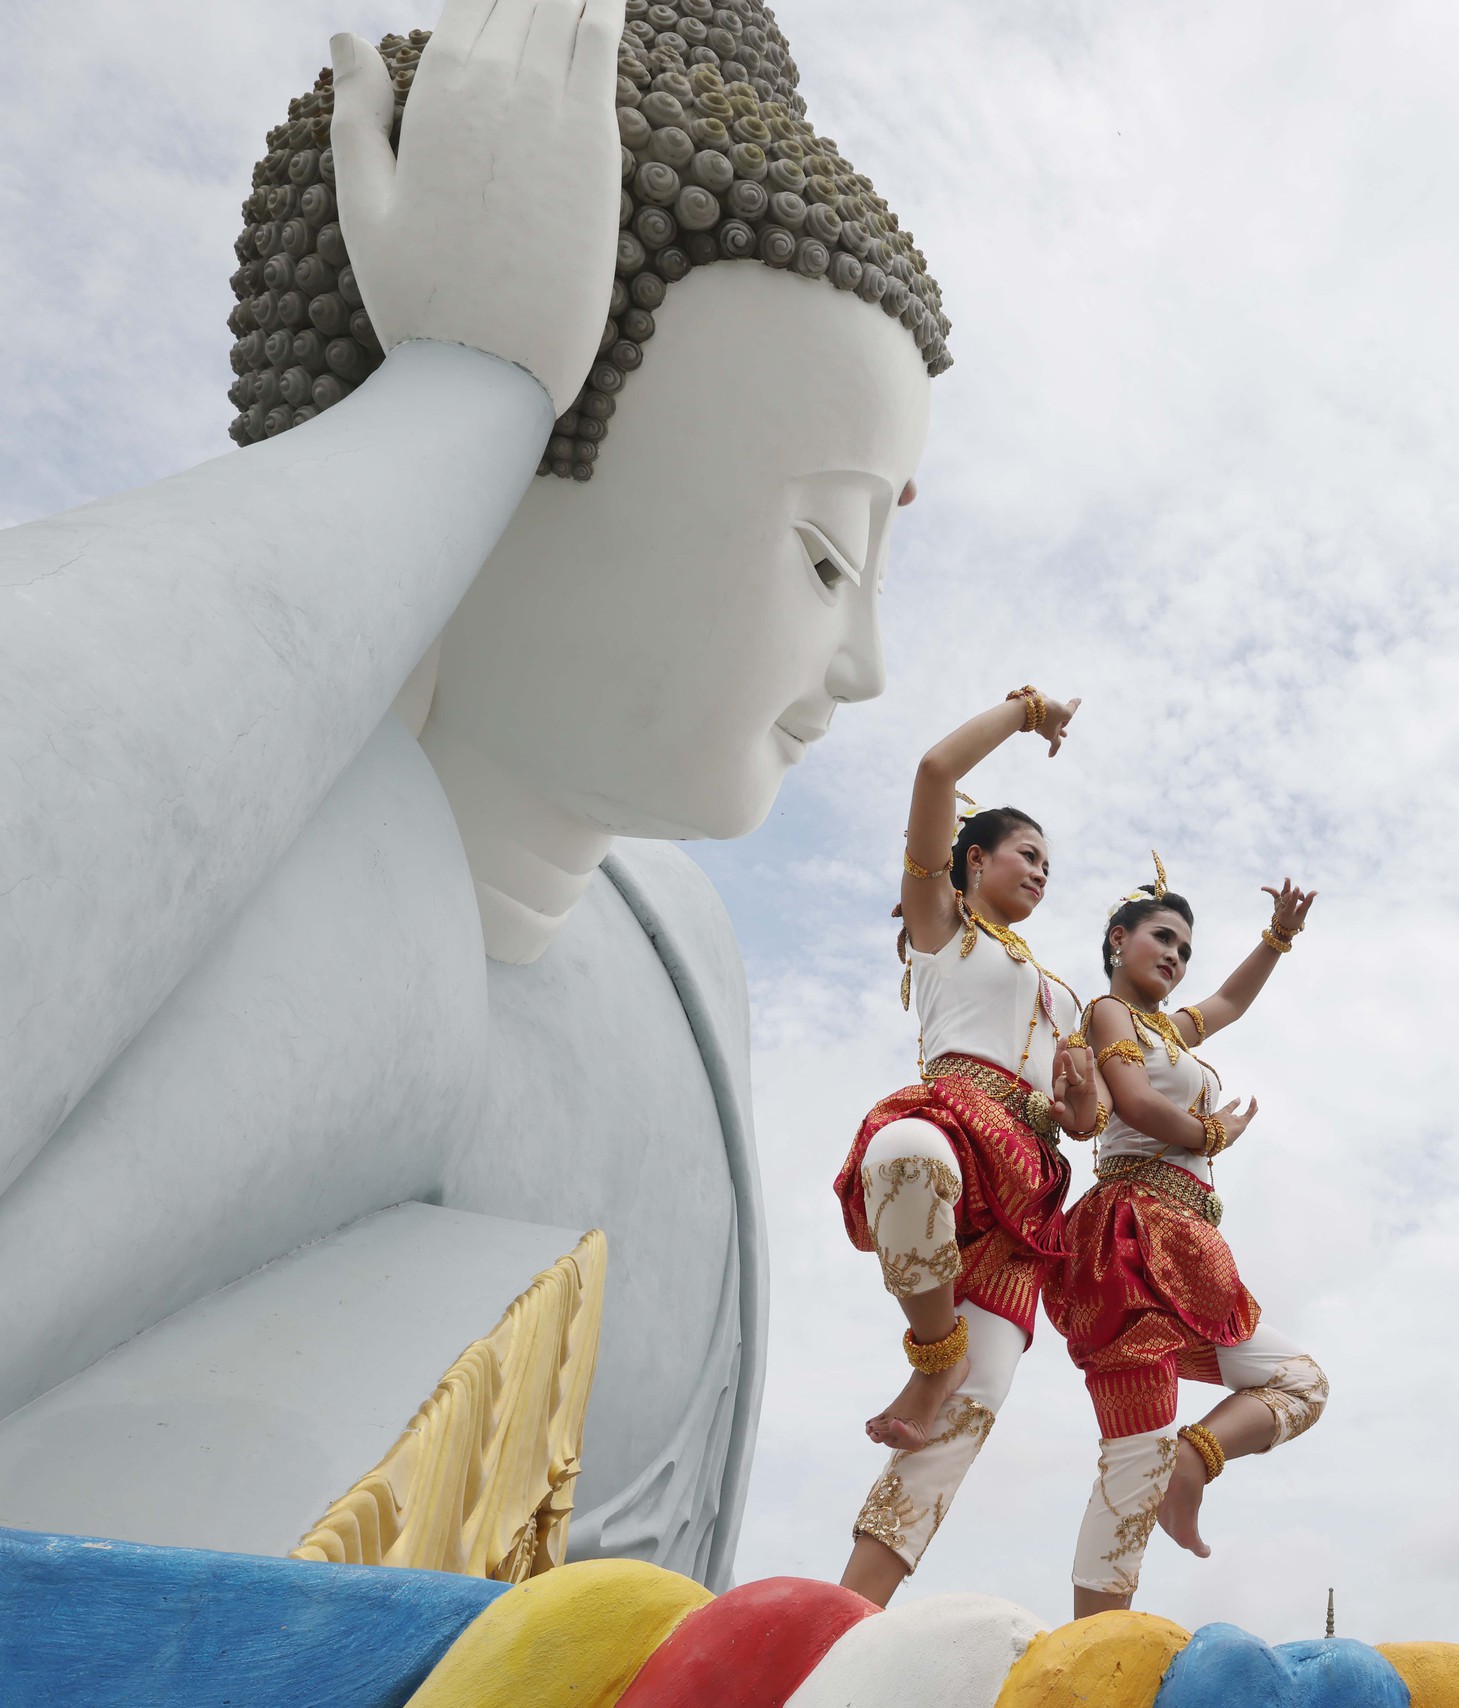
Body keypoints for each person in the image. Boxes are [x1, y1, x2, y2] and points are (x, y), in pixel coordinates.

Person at [0, 0, 945, 1582]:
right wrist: (464, 382)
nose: (860, 664)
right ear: (499, 496)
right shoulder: (310, 873)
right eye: (825, 553)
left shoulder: (676, 960)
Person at [831, 686, 1099, 1605]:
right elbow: (936, 773)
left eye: (1049, 865)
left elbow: (1087, 1117)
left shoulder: (1061, 995)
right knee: (904, 1153)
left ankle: (849, 1617)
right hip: (953, 1123)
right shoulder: (940, 933)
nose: (1039, 872)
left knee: (968, 1420)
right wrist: (1026, 714)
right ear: (973, 860)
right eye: (1026, 855)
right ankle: (930, 1350)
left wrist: (1079, 1105)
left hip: (1028, 1192)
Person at [1047, 859, 1326, 1614]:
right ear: (1118, 940)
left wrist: (1277, 937)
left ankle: (1194, 1462)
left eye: (1185, 949)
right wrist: (1214, 1131)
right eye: (1161, 938)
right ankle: (1096, 1641)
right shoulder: (1109, 1013)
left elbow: (1231, 1001)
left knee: (1301, 1384)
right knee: (1134, 1446)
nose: (1174, 956)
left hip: (1190, 1246)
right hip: (1132, 1236)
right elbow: (1134, 1102)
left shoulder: (1169, 1028)